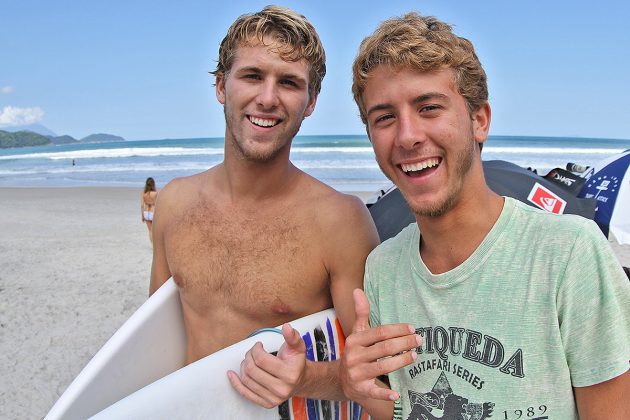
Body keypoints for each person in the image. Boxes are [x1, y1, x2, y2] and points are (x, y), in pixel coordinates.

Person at [338, 12, 630, 420]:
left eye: (429, 107)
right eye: (384, 117)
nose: (407, 136)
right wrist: (359, 388)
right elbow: (407, 409)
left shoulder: (569, 254)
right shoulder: (382, 270)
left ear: (479, 120)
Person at [149, 5, 379, 403]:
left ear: (310, 101)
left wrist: (308, 377)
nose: (268, 98)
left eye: (289, 82)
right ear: (221, 86)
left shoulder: (340, 222)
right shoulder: (173, 203)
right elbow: (152, 339)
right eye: (252, 76)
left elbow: (375, 376)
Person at [140, 177, 158, 243]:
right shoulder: (155, 193)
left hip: (146, 212)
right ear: (153, 184)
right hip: (153, 212)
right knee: (154, 230)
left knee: (150, 231)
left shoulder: (143, 193)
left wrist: (142, 216)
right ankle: (155, 245)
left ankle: (152, 245)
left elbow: (142, 205)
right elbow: (157, 204)